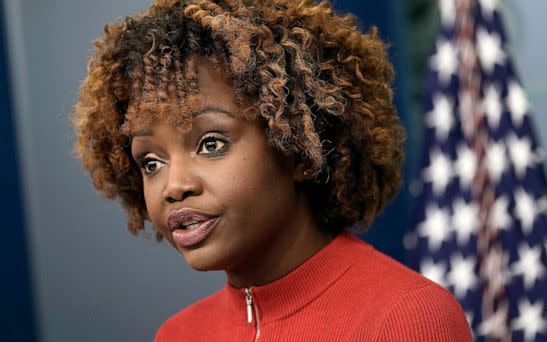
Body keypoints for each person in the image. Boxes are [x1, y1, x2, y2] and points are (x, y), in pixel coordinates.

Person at [72, 0, 472, 340]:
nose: (173, 186)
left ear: (298, 148)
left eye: (211, 144)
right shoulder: (178, 334)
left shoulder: (406, 318)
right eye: (151, 162)